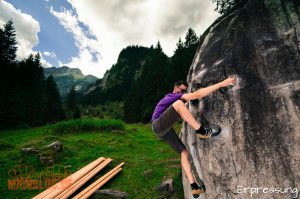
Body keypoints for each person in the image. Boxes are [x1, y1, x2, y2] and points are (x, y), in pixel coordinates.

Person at [151, 76, 236, 198]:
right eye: (181, 90)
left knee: (183, 153)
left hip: (163, 130)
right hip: (158, 125)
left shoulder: (174, 98)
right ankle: (202, 131)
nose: (182, 93)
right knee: (180, 103)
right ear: (175, 88)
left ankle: (194, 187)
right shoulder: (172, 96)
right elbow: (197, 94)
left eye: (185, 91)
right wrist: (221, 83)